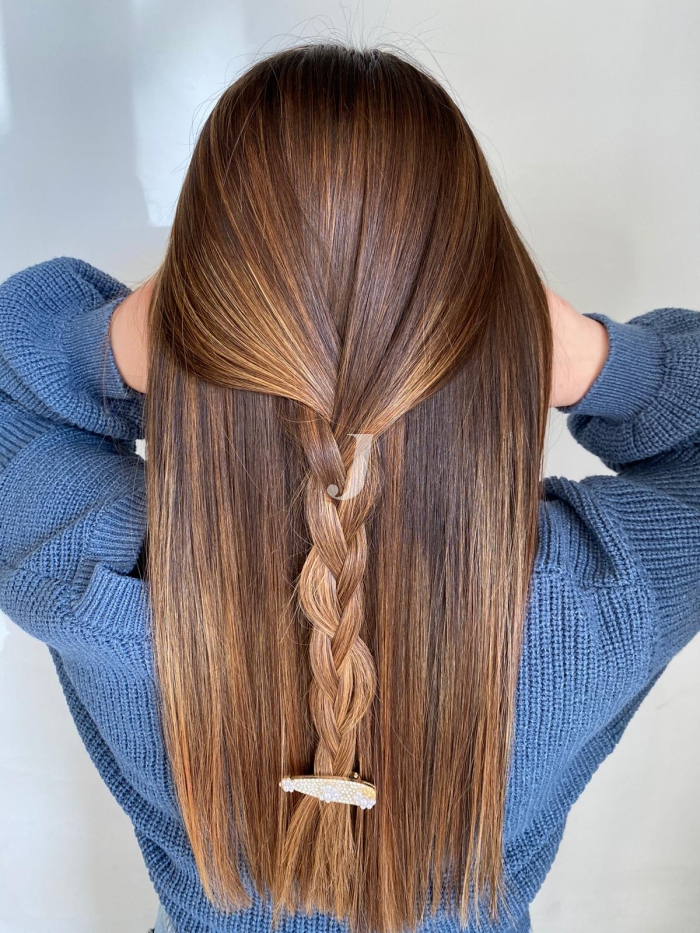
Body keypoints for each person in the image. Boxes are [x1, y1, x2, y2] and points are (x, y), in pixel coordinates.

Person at [1, 41, 699, 933]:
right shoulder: (605, 598)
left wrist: (114, 342)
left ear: (197, 313)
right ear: (494, 318)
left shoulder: (89, 571)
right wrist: (589, 359)